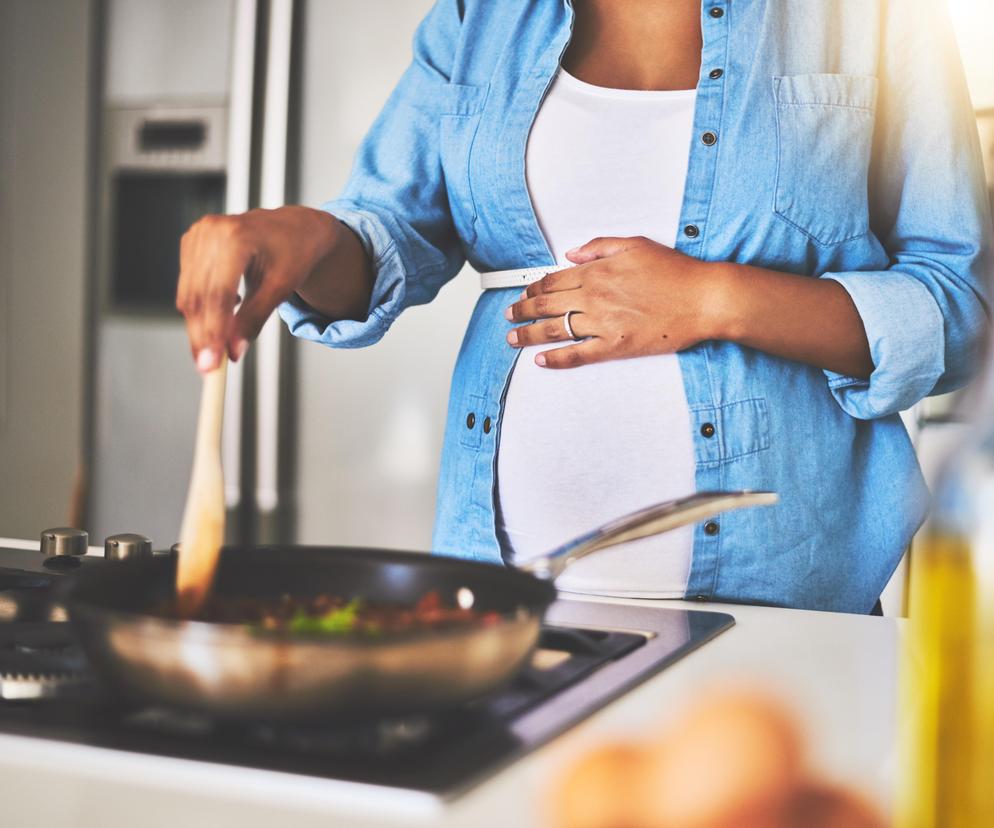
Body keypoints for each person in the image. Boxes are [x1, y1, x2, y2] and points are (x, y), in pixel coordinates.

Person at [176, 0, 991, 612]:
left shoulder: (872, 15)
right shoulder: (481, 16)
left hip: (781, 609)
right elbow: (385, 235)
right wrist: (306, 237)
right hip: (508, 605)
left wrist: (714, 297)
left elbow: (958, 304)